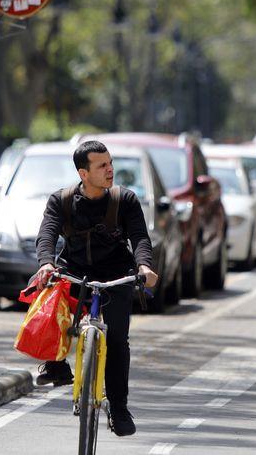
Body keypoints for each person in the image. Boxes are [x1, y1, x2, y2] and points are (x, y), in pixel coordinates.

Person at [34, 140, 158, 437]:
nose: (110, 169)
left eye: (110, 163)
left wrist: (144, 267)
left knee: (117, 341)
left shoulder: (124, 200)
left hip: (116, 276)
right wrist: (46, 263)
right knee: (50, 303)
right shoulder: (61, 201)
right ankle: (55, 364)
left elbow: (140, 238)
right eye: (102, 165)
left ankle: (119, 408)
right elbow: (47, 234)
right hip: (75, 273)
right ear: (83, 173)